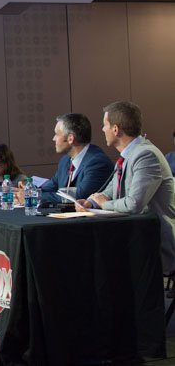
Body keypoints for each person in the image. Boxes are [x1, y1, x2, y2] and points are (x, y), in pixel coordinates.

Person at [77, 101, 175, 273]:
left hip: (155, 242)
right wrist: (91, 202)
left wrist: (102, 204)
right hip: (135, 237)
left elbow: (133, 204)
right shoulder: (128, 155)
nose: (102, 129)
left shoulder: (146, 155)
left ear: (116, 129)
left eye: (104, 125)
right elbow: (110, 191)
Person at [40, 113, 113, 205]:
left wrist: (35, 196)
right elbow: (52, 186)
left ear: (70, 139)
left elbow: (77, 197)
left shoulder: (97, 162)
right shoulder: (65, 160)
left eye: (57, 134)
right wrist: (29, 191)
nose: (53, 139)